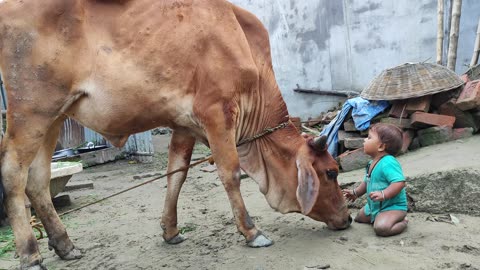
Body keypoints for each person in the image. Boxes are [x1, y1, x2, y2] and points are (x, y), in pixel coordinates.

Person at [343, 123, 408, 236]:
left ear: (381, 147)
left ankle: (403, 222)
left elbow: (399, 183)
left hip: (392, 207)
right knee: (358, 218)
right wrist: (355, 193)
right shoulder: (371, 163)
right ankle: (378, 217)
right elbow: (366, 182)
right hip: (375, 206)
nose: (364, 140)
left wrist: (384, 194)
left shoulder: (388, 162)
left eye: (369, 138)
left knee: (382, 229)